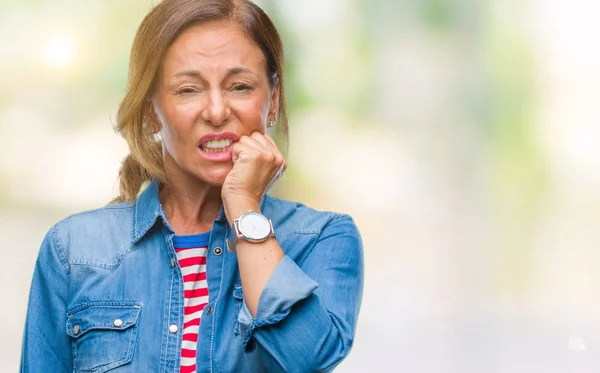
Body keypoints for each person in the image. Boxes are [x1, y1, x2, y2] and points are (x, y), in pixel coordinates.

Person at [20, 0, 364, 372]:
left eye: (240, 86)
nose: (216, 112)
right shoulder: (73, 250)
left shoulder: (320, 239)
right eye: (188, 89)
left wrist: (245, 207)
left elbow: (310, 359)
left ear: (274, 100)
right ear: (151, 109)